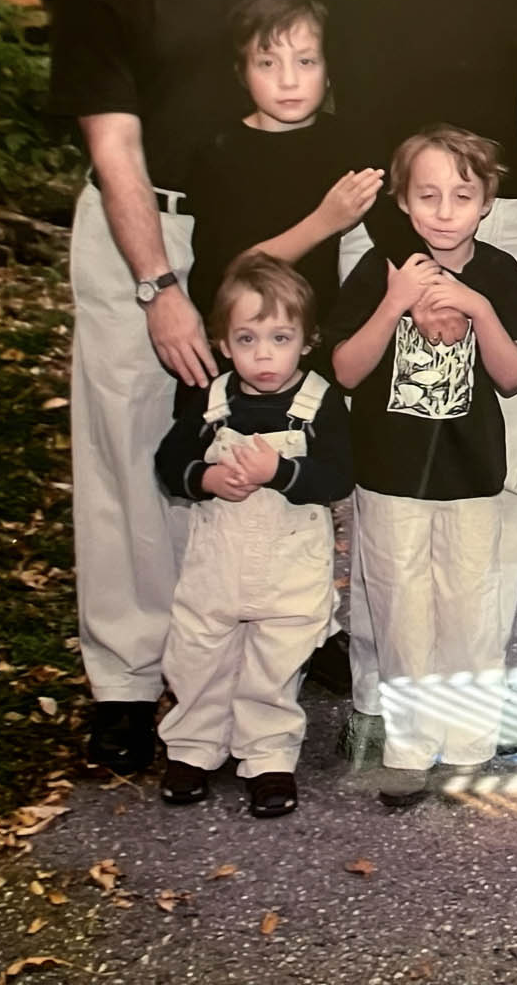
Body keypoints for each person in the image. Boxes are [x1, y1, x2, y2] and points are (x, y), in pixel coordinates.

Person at [48, 0, 341, 773]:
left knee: (276, 423)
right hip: (148, 232)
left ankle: (282, 627)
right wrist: (158, 287)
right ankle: (130, 681)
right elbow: (115, 151)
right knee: (132, 453)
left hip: (267, 233)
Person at [327, 0, 517, 748]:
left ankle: (469, 695)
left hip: (515, 236)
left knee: (492, 463)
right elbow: (355, 126)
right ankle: (384, 696)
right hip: (393, 233)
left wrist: (471, 281)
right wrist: (412, 274)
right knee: (392, 469)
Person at [325, 127, 517, 806]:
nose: (445, 211)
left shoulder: (500, 272)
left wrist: (477, 308)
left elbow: (512, 375)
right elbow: (345, 370)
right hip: (390, 476)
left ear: (487, 202)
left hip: (471, 476)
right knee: (402, 610)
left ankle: (470, 745)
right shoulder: (380, 270)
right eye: (428, 195)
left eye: (462, 196)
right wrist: (395, 301)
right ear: (403, 201)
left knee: (469, 608)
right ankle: (409, 747)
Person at [153, 254, 352, 818]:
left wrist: (281, 473)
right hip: (217, 565)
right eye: (247, 339)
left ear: (307, 342)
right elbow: (169, 461)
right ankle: (193, 747)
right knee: (198, 653)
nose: (264, 354)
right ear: (222, 343)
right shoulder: (211, 401)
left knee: (275, 665)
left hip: (290, 569)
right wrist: (206, 478)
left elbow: (339, 475)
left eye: (280, 338)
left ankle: (268, 757)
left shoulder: (319, 403)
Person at [182, 0, 383, 327]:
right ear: (241, 73)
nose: (288, 80)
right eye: (267, 63)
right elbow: (226, 276)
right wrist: (324, 222)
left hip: (317, 335)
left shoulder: (349, 142)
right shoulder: (219, 154)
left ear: (330, 69)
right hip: (245, 337)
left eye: (306, 61)